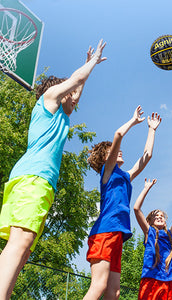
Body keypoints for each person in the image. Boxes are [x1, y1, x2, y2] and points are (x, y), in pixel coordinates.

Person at [0, 39, 107, 300]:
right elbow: (73, 83)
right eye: (69, 93)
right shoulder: (47, 101)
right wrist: (92, 63)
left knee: (23, 250)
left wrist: (86, 69)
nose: (75, 99)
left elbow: (77, 90)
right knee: (19, 244)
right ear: (59, 91)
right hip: (34, 178)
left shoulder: (60, 115)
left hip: (35, 180)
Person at [83, 107, 161, 300]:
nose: (119, 152)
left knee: (114, 292)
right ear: (105, 158)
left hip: (117, 236)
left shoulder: (125, 176)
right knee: (98, 285)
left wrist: (152, 130)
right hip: (104, 232)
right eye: (112, 151)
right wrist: (134, 121)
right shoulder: (107, 173)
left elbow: (146, 157)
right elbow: (118, 134)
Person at [134, 177, 172, 300]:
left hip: (167, 281)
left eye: (162, 216)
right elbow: (136, 209)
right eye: (156, 216)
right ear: (149, 221)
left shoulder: (169, 234)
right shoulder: (149, 232)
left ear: (165, 221)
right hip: (150, 279)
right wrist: (146, 189)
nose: (160, 217)